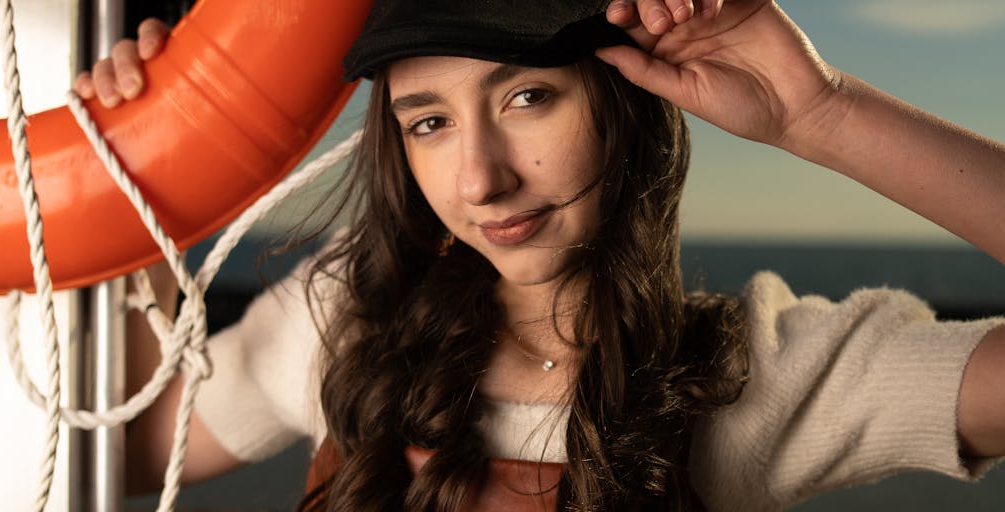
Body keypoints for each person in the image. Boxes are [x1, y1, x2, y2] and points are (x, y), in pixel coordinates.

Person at [74, 0, 1005, 510]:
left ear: (624, 103)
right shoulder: (339, 324)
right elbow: (108, 449)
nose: (479, 179)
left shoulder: (755, 375)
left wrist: (820, 111)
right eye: (429, 123)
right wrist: (138, 162)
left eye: (527, 99)